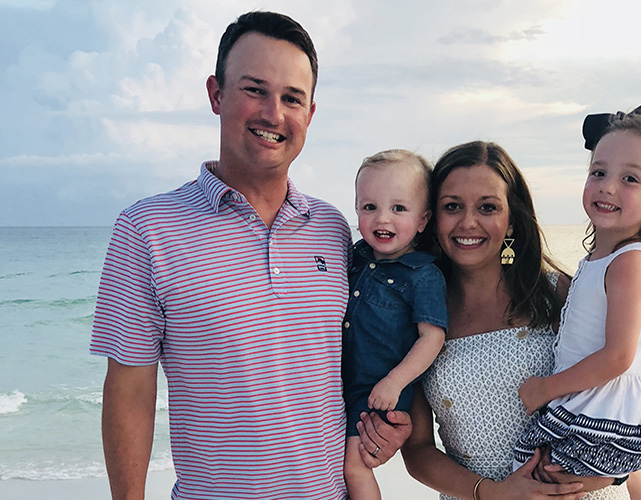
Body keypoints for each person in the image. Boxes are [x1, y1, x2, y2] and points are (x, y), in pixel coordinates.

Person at [90, 11, 409, 500]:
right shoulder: (147, 229)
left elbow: (353, 354)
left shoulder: (331, 227)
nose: (273, 114)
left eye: (291, 98)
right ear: (216, 94)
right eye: (255, 90)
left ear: (310, 114)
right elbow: (130, 390)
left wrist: (386, 420)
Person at [401, 140, 641, 500]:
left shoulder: (559, 295)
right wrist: (494, 493)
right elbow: (418, 450)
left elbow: (625, 401)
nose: (468, 222)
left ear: (512, 221)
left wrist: (613, 477)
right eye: (452, 206)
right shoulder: (417, 316)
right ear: (430, 218)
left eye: (488, 207)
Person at [513, 98, 641, 481]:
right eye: (598, 172)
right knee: (531, 466)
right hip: (593, 395)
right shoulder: (603, 257)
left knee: (538, 471)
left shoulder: (630, 262)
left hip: (610, 406)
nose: (607, 187)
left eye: (630, 179)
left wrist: (546, 389)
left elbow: (618, 356)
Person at [343, 150, 448, 499]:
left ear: (423, 220)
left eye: (399, 208)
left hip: (379, 391)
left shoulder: (423, 276)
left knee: (355, 466)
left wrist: (395, 382)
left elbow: (432, 338)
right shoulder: (355, 258)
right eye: (369, 207)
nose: (382, 218)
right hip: (341, 386)